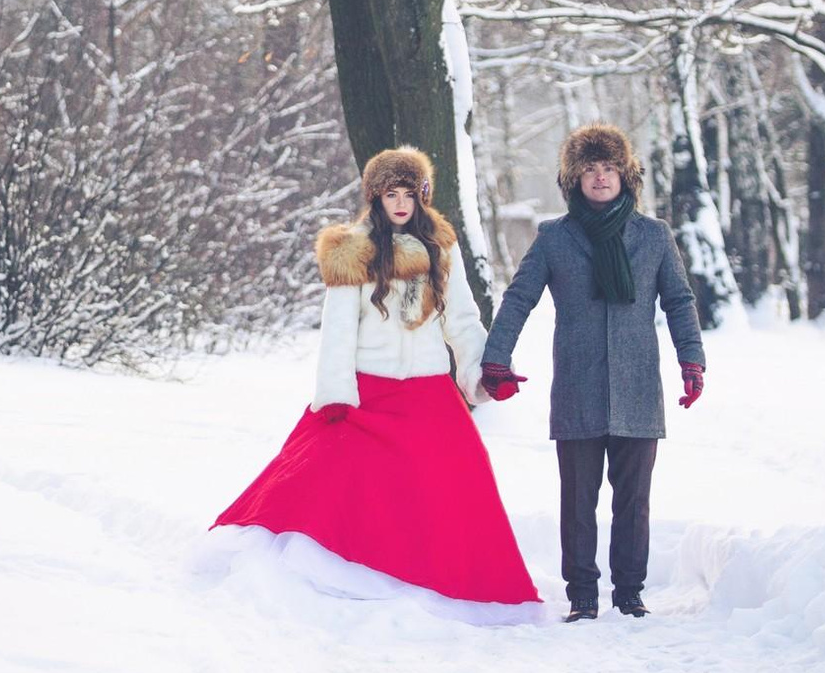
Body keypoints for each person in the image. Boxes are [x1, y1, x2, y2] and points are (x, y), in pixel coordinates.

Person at [212, 147, 540, 607]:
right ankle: (333, 575)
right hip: (368, 393)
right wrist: (336, 396)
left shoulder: (442, 248)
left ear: (423, 196)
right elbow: (339, 332)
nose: (401, 203)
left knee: (452, 491)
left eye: (410, 193)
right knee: (323, 486)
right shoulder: (352, 250)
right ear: (376, 197)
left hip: (429, 396)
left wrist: (483, 375)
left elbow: (463, 321)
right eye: (391, 193)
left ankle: (449, 587)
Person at [477, 124, 705, 622]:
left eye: (609, 168)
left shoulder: (654, 236)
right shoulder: (555, 238)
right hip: (579, 385)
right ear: (574, 178)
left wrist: (692, 360)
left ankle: (630, 592)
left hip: (638, 385)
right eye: (589, 169)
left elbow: (680, 301)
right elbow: (520, 298)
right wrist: (497, 359)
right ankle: (582, 594)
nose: (600, 178)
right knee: (578, 500)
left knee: (634, 501)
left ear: (626, 175)